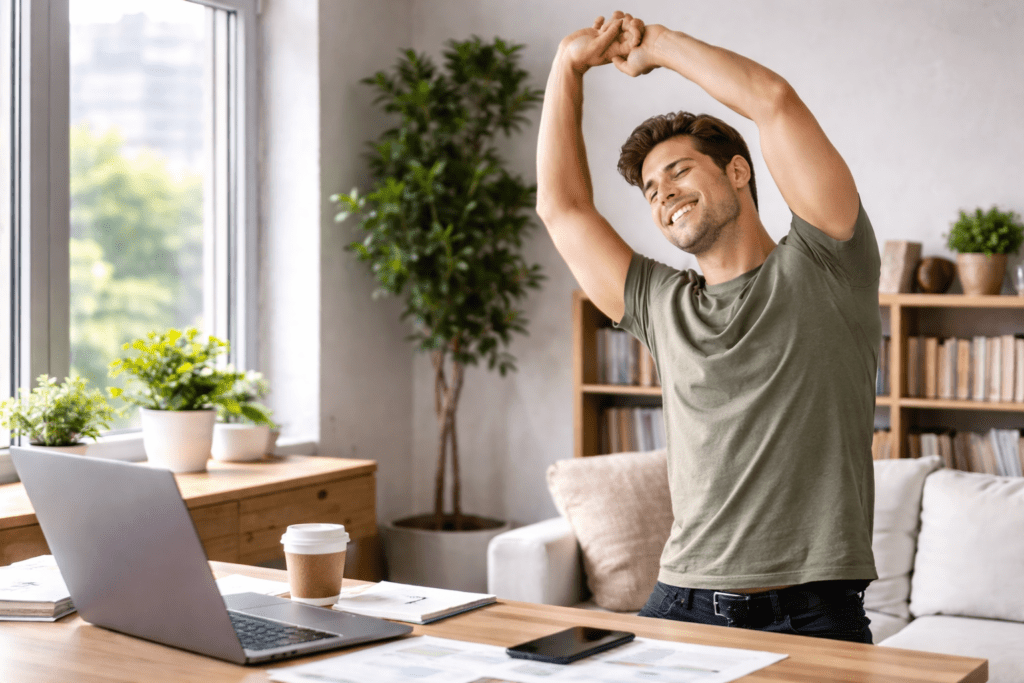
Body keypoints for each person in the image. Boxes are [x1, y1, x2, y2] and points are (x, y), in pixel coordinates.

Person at [535, 12, 880, 643]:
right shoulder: (661, 306)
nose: (662, 193)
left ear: (738, 173)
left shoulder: (830, 262)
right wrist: (567, 65)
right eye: (649, 190)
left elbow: (772, 103)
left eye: (679, 171)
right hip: (680, 600)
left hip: (814, 610)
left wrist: (657, 46)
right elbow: (562, 208)